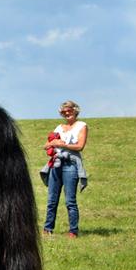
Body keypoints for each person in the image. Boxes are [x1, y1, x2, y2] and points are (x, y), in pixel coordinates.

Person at [40, 99, 88, 238]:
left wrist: (62, 144)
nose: (67, 113)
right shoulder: (59, 127)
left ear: (75, 111)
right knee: (52, 199)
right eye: (64, 112)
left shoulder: (82, 126)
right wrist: (53, 143)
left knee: (70, 201)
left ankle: (73, 231)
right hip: (56, 164)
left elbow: (80, 146)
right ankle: (47, 229)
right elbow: (46, 145)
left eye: (69, 110)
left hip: (71, 165)